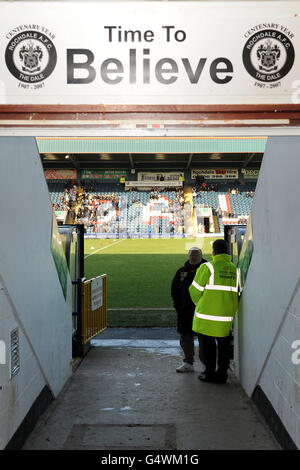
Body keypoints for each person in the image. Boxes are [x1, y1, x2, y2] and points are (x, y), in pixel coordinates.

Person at [189, 239, 238, 383]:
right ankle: (222, 375)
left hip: (206, 317)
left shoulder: (207, 267)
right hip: (225, 317)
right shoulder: (234, 269)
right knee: (224, 347)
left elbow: (194, 291)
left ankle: (209, 373)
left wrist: (200, 303)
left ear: (214, 251)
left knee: (208, 347)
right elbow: (236, 294)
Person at [171, 247, 207, 373]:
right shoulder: (181, 271)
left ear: (201, 256)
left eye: (196, 255)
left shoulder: (207, 271)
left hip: (203, 311)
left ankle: (206, 363)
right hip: (185, 311)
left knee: (204, 338)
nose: (194, 257)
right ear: (188, 256)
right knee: (185, 336)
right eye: (191, 255)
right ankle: (188, 362)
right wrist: (178, 307)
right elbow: (174, 289)